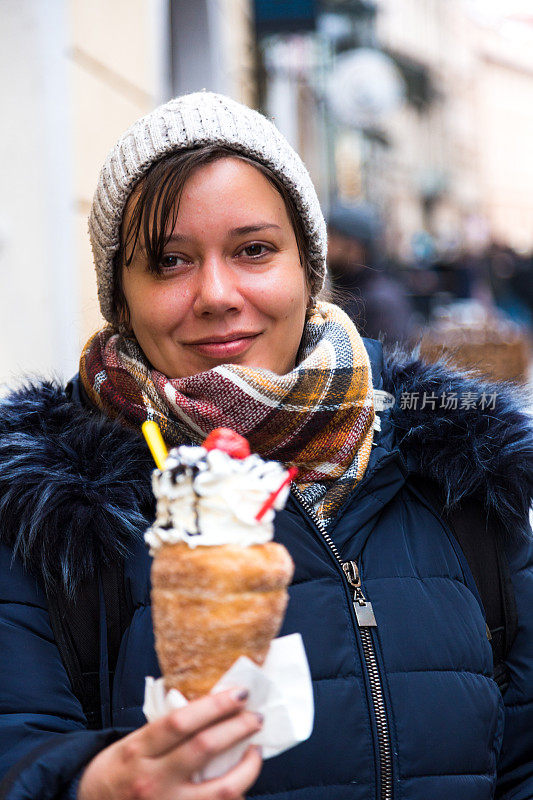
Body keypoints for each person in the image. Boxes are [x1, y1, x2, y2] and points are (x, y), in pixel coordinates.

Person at [0, 92, 532, 800]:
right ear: (119, 297)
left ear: (306, 270)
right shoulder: (45, 511)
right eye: (168, 261)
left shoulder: (456, 472)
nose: (217, 293)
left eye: (253, 250)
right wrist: (89, 785)